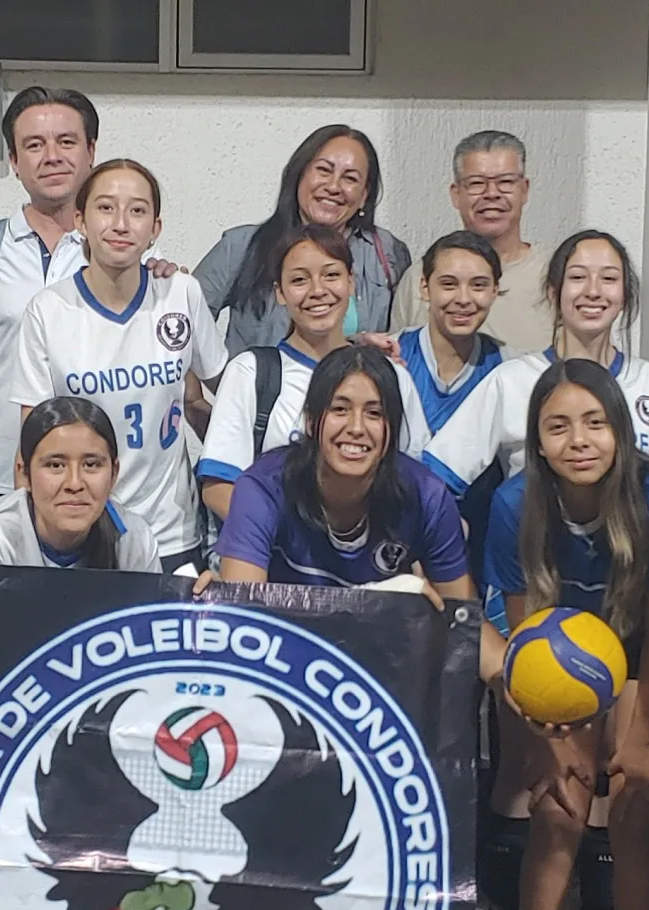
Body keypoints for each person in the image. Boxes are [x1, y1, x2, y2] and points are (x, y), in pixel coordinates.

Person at [478, 359, 649, 910]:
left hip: (643, 658)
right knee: (560, 808)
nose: (579, 440)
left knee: (635, 805)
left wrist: (637, 740)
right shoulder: (515, 504)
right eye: (558, 426)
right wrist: (548, 742)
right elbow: (522, 649)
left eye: (595, 423)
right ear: (536, 441)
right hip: (556, 663)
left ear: (621, 431)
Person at [6, 159, 225, 571]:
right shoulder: (48, 311)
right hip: (84, 532)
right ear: (80, 221)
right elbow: (31, 437)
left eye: (137, 210)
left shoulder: (180, 293)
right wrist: (29, 542)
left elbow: (232, 395)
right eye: (106, 208)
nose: (121, 224)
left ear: (155, 228)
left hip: (169, 532)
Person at [0, 87, 110, 513]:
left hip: (96, 484)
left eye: (66, 142)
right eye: (34, 145)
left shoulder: (126, 252)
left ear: (91, 152)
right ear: (14, 162)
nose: (51, 156)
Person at [198, 224, 431, 520]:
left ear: (351, 282)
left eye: (331, 275)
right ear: (280, 293)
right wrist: (291, 543)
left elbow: (417, 482)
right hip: (273, 559)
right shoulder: (251, 373)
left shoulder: (391, 377)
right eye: (299, 280)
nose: (317, 291)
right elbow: (219, 487)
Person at [212, 346, 475, 605]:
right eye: (340, 409)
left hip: (381, 647)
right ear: (311, 422)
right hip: (281, 644)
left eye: (374, 413)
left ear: (391, 430)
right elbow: (242, 617)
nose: (356, 428)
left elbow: (462, 624)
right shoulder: (264, 488)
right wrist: (381, 596)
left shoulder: (427, 497)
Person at [425, 230, 649, 497]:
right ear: (553, 292)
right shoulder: (511, 380)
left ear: (625, 294)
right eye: (578, 277)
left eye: (609, 278)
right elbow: (437, 474)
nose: (593, 291)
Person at [197, 125, 413, 354]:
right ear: (298, 175)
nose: (333, 186)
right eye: (323, 170)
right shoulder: (240, 245)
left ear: (364, 196)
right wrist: (224, 380)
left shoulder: (388, 253)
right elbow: (185, 320)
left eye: (349, 178)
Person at [0, 396, 162, 572]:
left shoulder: (134, 539)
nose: (74, 483)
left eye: (91, 464)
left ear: (114, 474)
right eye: (55, 465)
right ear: (24, 474)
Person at [391, 130, 553, 354]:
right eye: (476, 183)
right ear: (456, 194)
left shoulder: (555, 274)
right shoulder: (420, 277)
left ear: (524, 190)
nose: (492, 194)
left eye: (505, 182)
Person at [398, 231, 513, 442]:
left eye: (478, 285)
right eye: (449, 284)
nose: (463, 299)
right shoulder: (391, 355)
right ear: (424, 288)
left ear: (495, 291)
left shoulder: (509, 368)